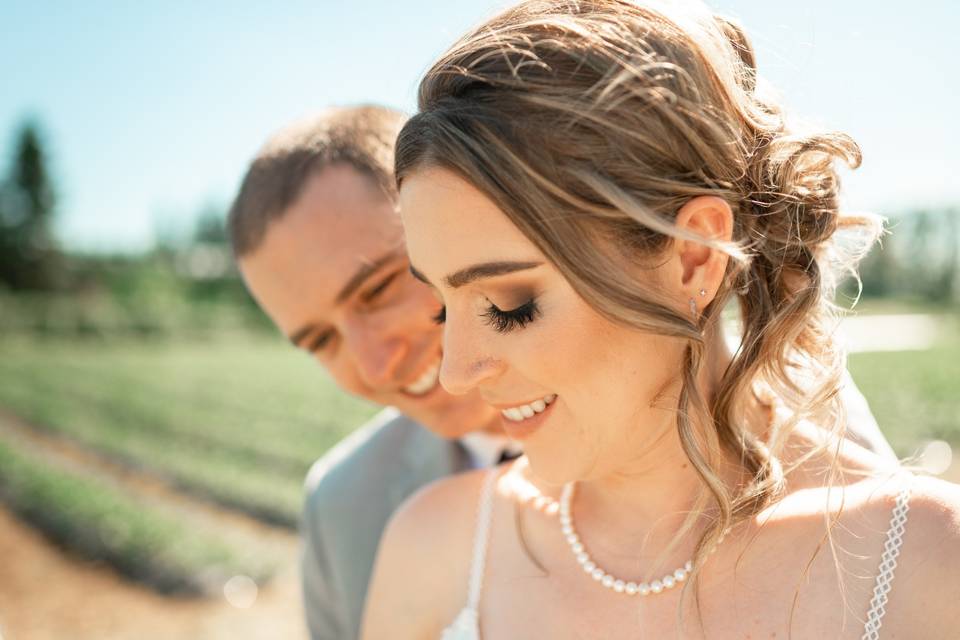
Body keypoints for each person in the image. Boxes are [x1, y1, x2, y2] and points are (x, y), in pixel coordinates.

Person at [361, 2, 960, 638]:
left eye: (510, 306)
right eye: (440, 307)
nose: (455, 372)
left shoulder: (923, 567)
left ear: (693, 257)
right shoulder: (432, 551)